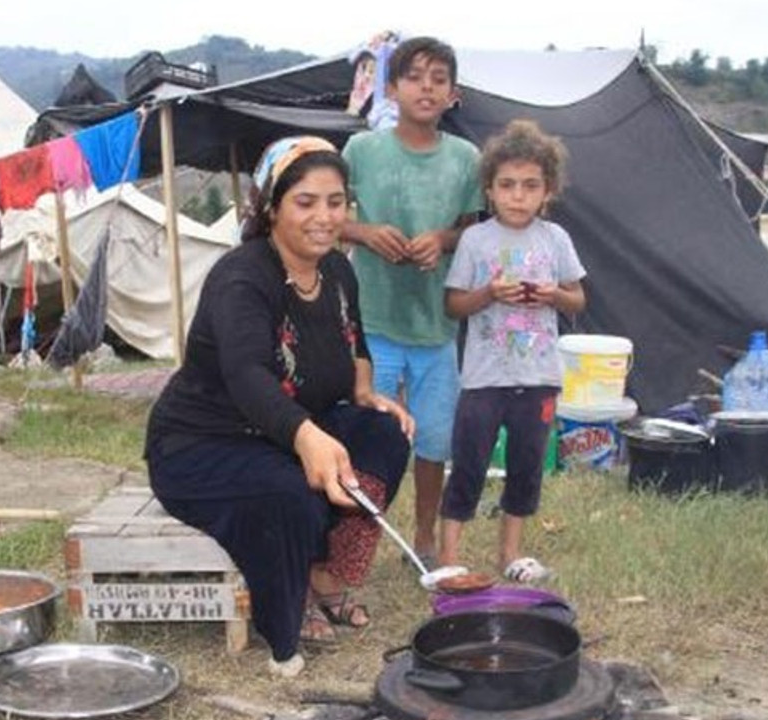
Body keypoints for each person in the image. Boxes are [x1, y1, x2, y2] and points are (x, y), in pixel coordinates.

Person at [145, 137, 415, 678]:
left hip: (289, 428)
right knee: (290, 491)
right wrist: (307, 438)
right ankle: (284, 612)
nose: (324, 217)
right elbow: (246, 375)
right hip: (202, 444)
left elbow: (355, 340)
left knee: (385, 435)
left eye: (335, 202)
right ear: (272, 206)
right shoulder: (242, 277)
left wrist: (364, 391)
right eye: (306, 202)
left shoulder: (338, 271)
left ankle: (325, 572)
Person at [341, 36, 484, 570]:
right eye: (415, 75)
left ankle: (424, 537)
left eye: (439, 78)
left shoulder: (466, 159)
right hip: (371, 320)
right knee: (366, 434)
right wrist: (366, 231)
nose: (427, 86)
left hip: (436, 325)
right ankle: (352, 537)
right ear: (392, 88)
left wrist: (439, 241)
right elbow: (332, 220)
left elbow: (470, 230)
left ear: (453, 93)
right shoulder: (362, 151)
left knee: (433, 439)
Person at [442, 119, 587, 583]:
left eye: (530, 186)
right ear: (489, 189)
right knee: (468, 463)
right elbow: (454, 304)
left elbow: (577, 298)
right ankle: (448, 559)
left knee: (527, 467)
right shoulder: (475, 240)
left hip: (539, 376)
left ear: (549, 191)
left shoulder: (555, 239)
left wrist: (552, 296)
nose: (517, 196)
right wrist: (489, 294)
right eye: (507, 185)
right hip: (484, 378)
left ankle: (511, 554)